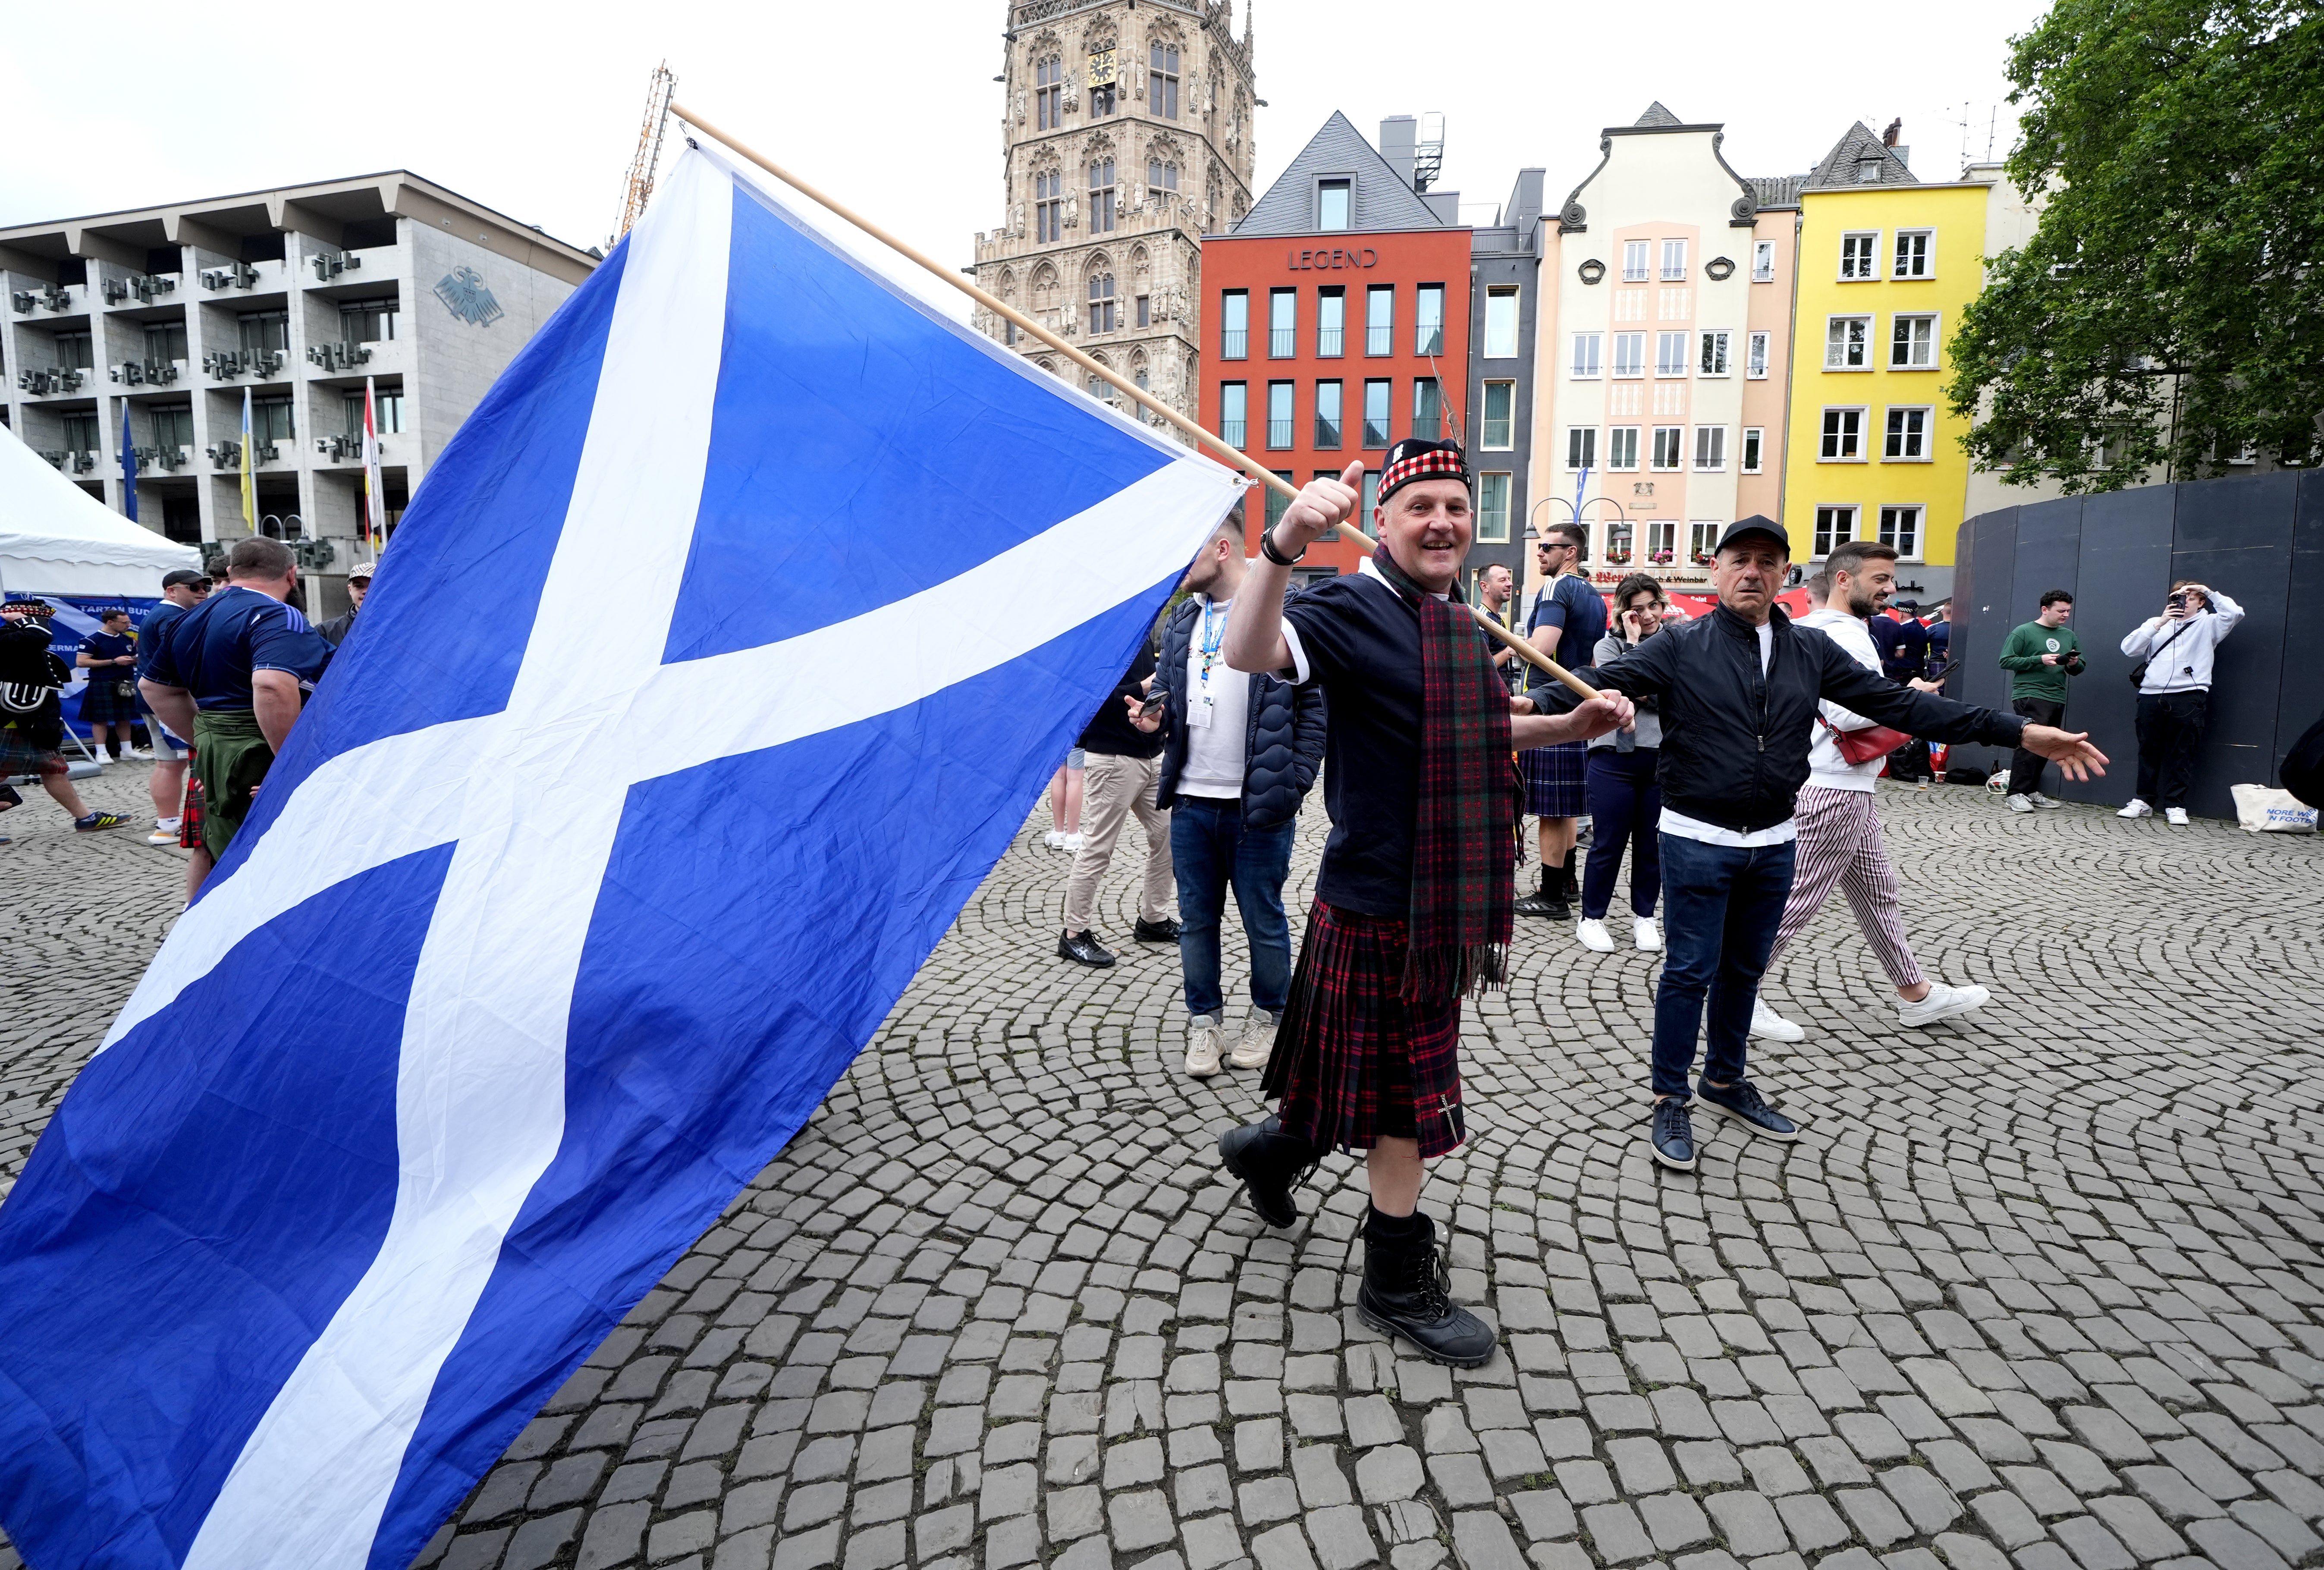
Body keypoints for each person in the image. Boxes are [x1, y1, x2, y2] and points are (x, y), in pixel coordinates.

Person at [1212, 442, 1634, 1364]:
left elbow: (1478, 726)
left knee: (1351, 1076)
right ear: (1387, 520)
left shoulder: (1452, 621)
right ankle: (1393, 1277)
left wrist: (1567, 724)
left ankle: (1271, 1151)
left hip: (1438, 897)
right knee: (1403, 1098)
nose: (1442, 520)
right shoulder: (1347, 605)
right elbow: (1249, 650)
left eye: (1455, 504)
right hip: (1373, 899)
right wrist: (1282, 541)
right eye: (1420, 507)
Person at [1539, 518, 2104, 1173]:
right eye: (1740, 559)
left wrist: (2021, 732)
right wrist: (1534, 704)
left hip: (1777, 837)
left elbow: (1904, 707)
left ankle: (1724, 1080)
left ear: (1786, 575)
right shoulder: (1680, 645)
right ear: (1718, 570)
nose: (1754, 571)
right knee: (1689, 973)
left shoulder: (1809, 651)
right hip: (1696, 837)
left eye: (1768, 562)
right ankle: (1670, 1097)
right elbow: (1596, 676)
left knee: (1744, 972)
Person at [1750, 543, 1994, 1044]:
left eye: (1892, 580)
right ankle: (1737, 993)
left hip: (1837, 783)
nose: (1891, 589)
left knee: (1879, 894)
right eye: (1881, 579)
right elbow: (1846, 712)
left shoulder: (1811, 630)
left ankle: (1917, 994)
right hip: (1834, 786)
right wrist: (1911, 699)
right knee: (1793, 901)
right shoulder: (1845, 636)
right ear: (1844, 580)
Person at [1131, 518, 1326, 1078]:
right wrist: (1153, 719)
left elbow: (1315, 709)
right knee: (1196, 921)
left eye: (1187, 555)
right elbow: (1172, 692)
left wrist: (1292, 784)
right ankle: (1204, 1023)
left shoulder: (1287, 610)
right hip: (1192, 801)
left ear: (1222, 548)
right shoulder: (1183, 621)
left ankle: (1271, 1018)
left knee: (1264, 920)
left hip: (1258, 806)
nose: (1179, 570)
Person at [139, 537, 333, 893]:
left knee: (230, 852)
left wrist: (208, 743)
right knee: (278, 862)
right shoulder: (278, 613)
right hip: (265, 748)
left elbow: (154, 688)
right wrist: (289, 765)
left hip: (219, 746)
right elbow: (271, 686)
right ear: (292, 575)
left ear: (230, 572)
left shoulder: (191, 617)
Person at [1056, 640, 1178, 967]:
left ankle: (1153, 920)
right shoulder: (1101, 634)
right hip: (1111, 758)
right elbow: (1083, 699)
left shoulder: (1143, 629)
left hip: (1152, 754)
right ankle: (1073, 934)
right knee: (1099, 847)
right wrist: (1143, 686)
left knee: (1168, 837)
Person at [1515, 521, 1605, 920]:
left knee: (1552, 809)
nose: (1539, 553)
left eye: (1547, 547)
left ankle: (1551, 896)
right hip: (1575, 704)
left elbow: (1543, 647)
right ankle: (1567, 884)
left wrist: (1516, 651)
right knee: (1566, 806)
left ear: (1571, 552)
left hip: (1548, 705)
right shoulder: (1595, 596)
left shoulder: (1556, 588)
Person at [1575, 574, 1667, 955]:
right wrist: (1632, 646)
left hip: (1661, 758)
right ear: (1624, 612)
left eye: (1652, 606)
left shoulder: (1676, 644)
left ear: (1662, 605)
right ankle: (1591, 918)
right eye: (1637, 609)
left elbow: (1671, 698)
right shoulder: (1609, 645)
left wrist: (1647, 692)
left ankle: (1645, 917)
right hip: (1613, 757)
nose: (1646, 615)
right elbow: (1618, 689)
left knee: (1652, 845)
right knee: (1608, 842)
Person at [2119, 581, 2244, 826]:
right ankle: (2143, 801)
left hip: (2188, 694)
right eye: (2176, 597)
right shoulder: (2157, 623)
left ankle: (2176, 805)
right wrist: (2160, 623)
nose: (2181, 602)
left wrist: (2209, 591)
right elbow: (2129, 649)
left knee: (2182, 751)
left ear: (2201, 602)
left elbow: (2235, 613)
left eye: (2188, 598)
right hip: (2151, 694)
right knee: (2148, 750)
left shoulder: (2210, 624)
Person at [0, 598, 128, 837]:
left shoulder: (23, 636)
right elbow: (39, 636)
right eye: (39, 616)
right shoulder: (8, 636)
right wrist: (20, 619)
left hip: (34, 718)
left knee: (54, 769)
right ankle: (85, 817)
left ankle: (86, 818)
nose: (45, 621)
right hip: (12, 716)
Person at [137, 569, 210, 846]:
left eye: (205, 586)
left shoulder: (163, 614)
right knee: (173, 764)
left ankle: (167, 824)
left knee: (169, 763)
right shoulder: (171, 617)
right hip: (169, 698)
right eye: (194, 588)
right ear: (172, 591)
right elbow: (185, 657)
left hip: (159, 696)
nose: (202, 591)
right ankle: (167, 825)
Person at [1997, 590, 2085, 811]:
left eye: (2068, 611)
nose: (2065, 615)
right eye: (2061, 611)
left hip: (2057, 695)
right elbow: (2006, 661)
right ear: (2045, 609)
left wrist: (2074, 663)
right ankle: (2016, 793)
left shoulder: (2069, 635)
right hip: (2029, 694)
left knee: (2048, 744)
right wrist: (2039, 659)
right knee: (2030, 742)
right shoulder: (2024, 632)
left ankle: (2030, 791)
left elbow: (2079, 668)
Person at [1477, 562, 1519, 690]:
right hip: (1490, 696)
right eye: (1502, 580)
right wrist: (1510, 651)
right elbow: (1481, 666)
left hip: (1504, 693)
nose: (1510, 584)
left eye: (1509, 579)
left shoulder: (1497, 619)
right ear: (1485, 586)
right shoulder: (1481, 619)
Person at [318, 557, 373, 646]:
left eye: (372, 586)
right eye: (359, 586)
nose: (365, 591)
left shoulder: (397, 628)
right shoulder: (326, 632)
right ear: (350, 590)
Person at [1043, 754, 1085, 851]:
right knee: (1075, 778)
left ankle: (1059, 834)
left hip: (1057, 739)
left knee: (1058, 777)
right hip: (1077, 741)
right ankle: (1073, 836)